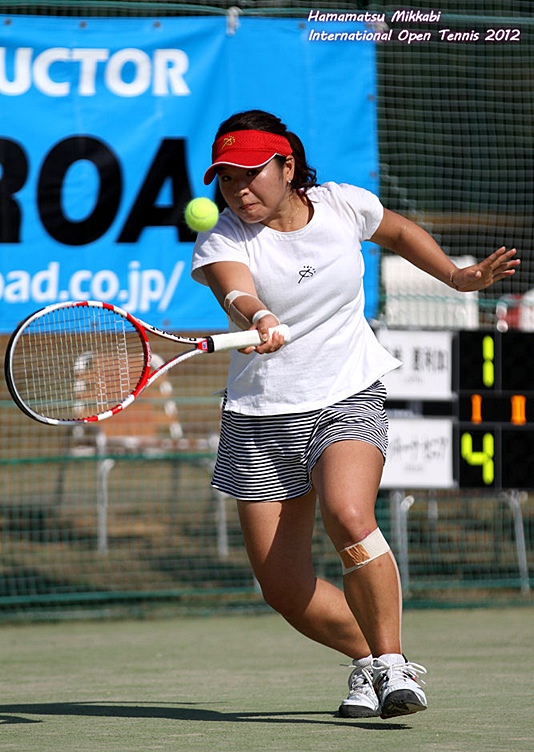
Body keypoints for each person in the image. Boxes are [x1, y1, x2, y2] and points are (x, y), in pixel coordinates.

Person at [190, 109, 519, 719]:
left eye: (250, 174)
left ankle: (393, 665)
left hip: (347, 394)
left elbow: (397, 232)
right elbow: (235, 289)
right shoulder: (222, 239)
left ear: (287, 167)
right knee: (283, 588)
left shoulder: (343, 204)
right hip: (259, 418)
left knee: (348, 514)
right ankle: (368, 659)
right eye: (226, 178)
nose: (238, 189)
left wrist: (456, 277)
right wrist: (258, 316)